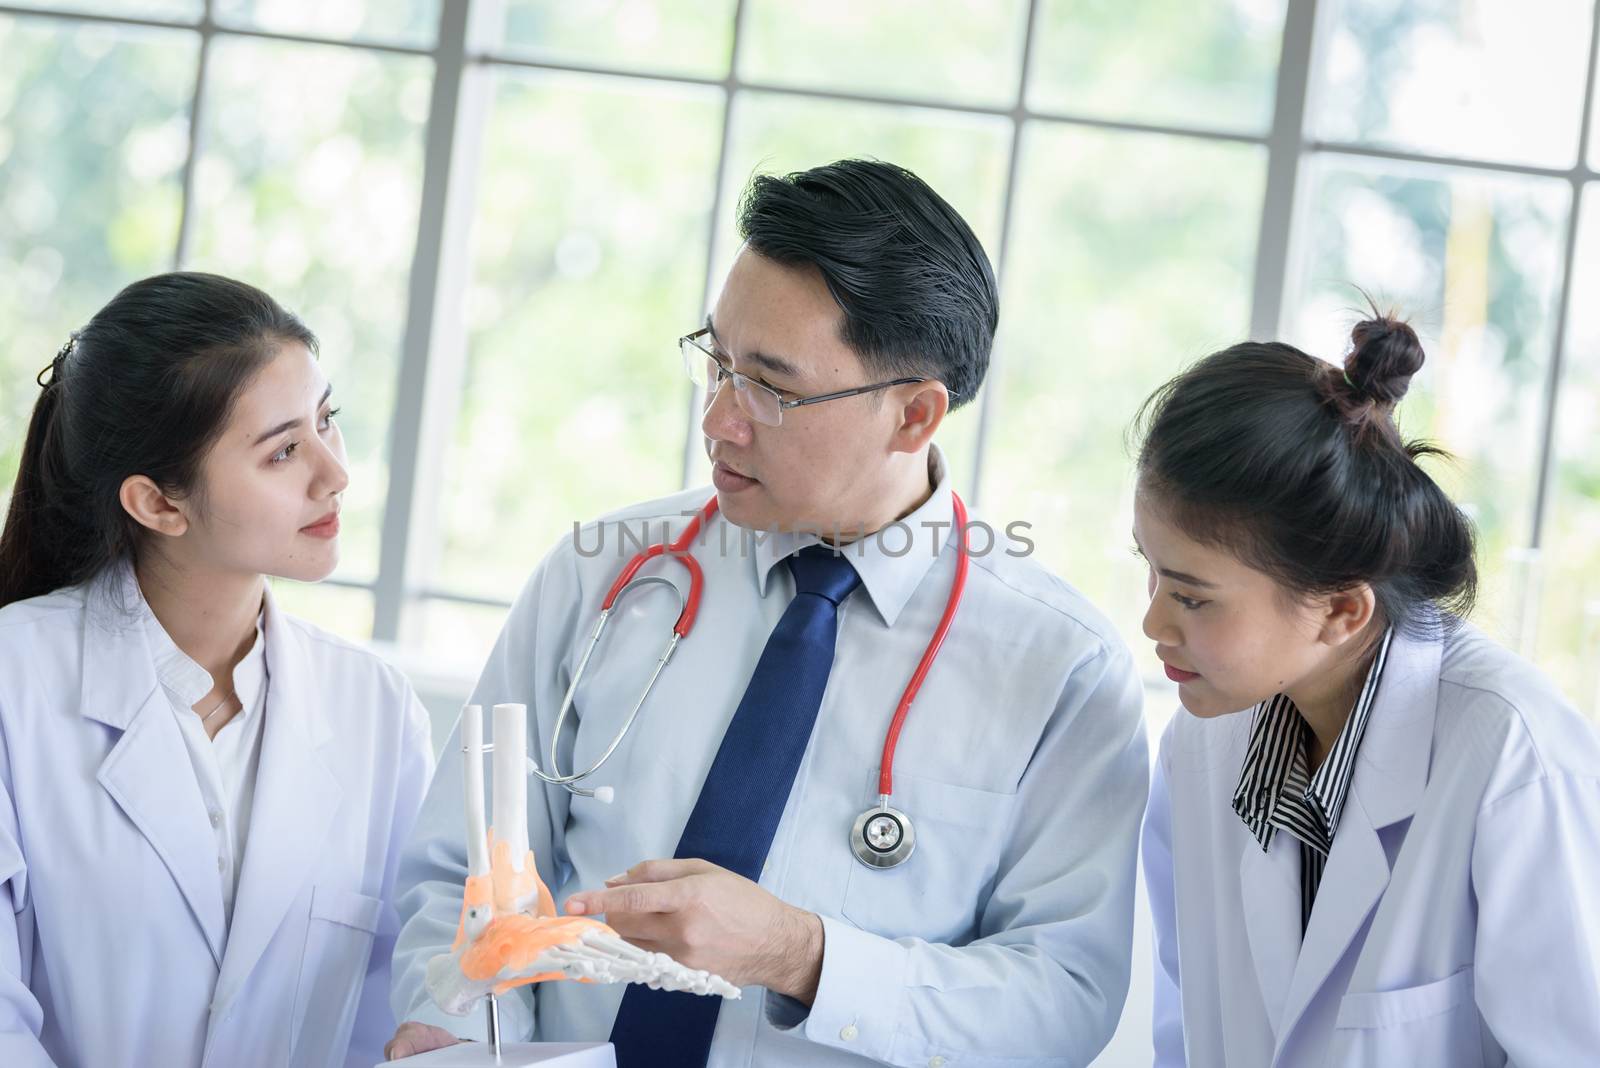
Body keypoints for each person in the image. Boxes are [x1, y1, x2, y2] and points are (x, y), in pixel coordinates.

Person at [387, 159, 1148, 1067]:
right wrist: (460, 1027)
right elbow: (461, 872)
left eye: (771, 388)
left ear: (914, 415)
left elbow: (1062, 1001)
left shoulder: (1061, 667)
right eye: (717, 360)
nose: (718, 419)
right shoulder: (605, 574)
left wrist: (801, 954)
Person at [1134, 314, 1600, 1066]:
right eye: (1151, 570)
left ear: (1344, 610)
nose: (1152, 619)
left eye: (1191, 597)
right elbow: (1182, 1028)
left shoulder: (1514, 758)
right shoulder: (1199, 746)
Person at [0, 272, 435, 1067]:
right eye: (282, 451)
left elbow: (403, 997)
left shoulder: (374, 708)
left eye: (327, 421)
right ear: (159, 504)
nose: (335, 472)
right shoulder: (14, 683)